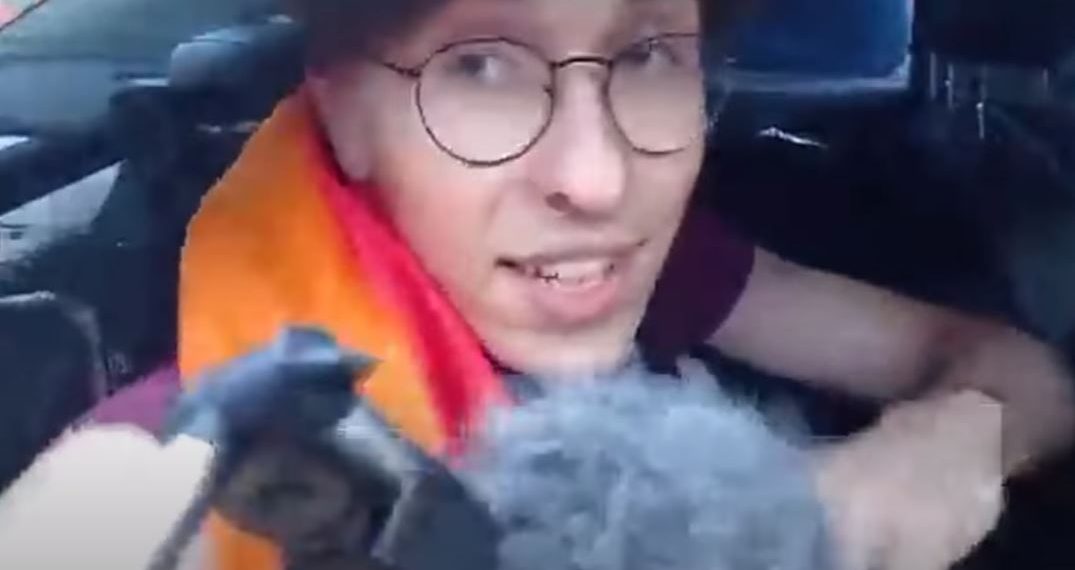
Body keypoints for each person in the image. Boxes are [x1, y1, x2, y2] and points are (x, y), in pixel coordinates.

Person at [1, 0, 1072, 569]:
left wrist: (937, 449)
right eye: (481, 67)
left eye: (647, 57)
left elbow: (1021, 374)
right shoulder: (215, 454)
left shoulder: (662, 270)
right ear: (342, 113)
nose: (597, 179)